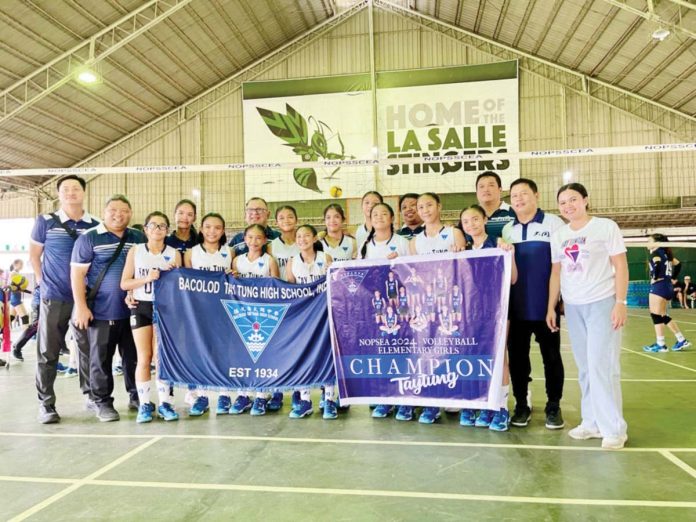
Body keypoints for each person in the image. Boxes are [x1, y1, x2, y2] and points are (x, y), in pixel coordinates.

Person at [547, 183, 629, 450]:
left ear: (585, 200)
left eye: (573, 199)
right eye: (562, 202)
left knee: (601, 365)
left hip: (602, 302)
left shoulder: (605, 227)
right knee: (584, 368)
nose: (568, 205)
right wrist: (552, 307)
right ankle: (591, 422)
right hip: (573, 306)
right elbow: (557, 273)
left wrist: (620, 302)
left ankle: (614, 428)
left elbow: (620, 265)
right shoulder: (559, 235)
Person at [29, 175, 98, 424]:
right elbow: (35, 255)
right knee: (48, 352)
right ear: (59, 194)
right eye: (65, 189)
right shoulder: (45, 222)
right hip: (54, 297)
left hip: (85, 299)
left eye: (75, 189)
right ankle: (46, 404)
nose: (71, 193)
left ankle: (92, 395)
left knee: (87, 349)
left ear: (83, 193)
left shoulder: (95, 225)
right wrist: (42, 282)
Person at [71, 194, 145, 422]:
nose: (118, 214)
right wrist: (81, 307)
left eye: (124, 210)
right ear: (104, 212)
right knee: (101, 360)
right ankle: (102, 402)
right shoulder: (89, 238)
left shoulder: (138, 237)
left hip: (133, 311)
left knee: (134, 358)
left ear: (130, 213)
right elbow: (77, 275)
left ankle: (138, 397)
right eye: (113, 210)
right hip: (101, 311)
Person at [502, 178, 565, 430]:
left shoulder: (554, 224)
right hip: (515, 309)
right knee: (518, 360)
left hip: (545, 308)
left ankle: (553, 406)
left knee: (551, 358)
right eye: (514, 195)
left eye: (524, 194)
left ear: (536, 195)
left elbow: (559, 269)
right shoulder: (507, 230)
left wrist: (553, 305)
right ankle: (521, 405)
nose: (518, 199)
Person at [458, 204, 518, 432]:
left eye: (475, 219)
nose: (471, 224)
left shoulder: (498, 243)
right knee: (474, 357)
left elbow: (512, 279)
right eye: (466, 221)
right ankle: (480, 402)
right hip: (472, 313)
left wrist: (509, 254)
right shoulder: (464, 250)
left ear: (484, 220)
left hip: (498, 311)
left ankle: (500, 407)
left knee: (499, 357)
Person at [409, 192, 466, 424]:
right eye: (420, 206)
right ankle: (432, 400)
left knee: (451, 348)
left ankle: (454, 395)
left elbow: (463, 268)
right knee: (429, 351)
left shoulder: (454, 233)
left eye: (429, 205)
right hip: (426, 304)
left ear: (439, 206)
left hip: (451, 303)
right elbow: (413, 274)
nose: (425, 209)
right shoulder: (414, 242)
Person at [121, 211, 180, 424]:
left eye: (162, 226)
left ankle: (165, 403)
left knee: (160, 358)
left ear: (167, 230)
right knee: (144, 357)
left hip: (165, 309)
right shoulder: (135, 251)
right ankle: (145, 404)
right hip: (141, 306)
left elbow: (180, 287)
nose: (157, 229)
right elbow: (125, 283)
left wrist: (173, 276)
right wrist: (146, 278)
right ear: (145, 229)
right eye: (153, 225)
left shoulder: (174, 254)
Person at [361, 203, 410, 420]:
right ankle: (385, 397)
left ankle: (405, 399)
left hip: (401, 306)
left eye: (383, 214)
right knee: (381, 351)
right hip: (376, 307)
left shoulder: (403, 242)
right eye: (374, 214)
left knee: (402, 350)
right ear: (369, 220)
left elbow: (413, 273)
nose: (379, 217)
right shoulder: (365, 246)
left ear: (392, 218)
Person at [183, 213, 234, 415]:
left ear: (223, 231)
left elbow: (235, 280)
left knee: (224, 353)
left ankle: (224, 395)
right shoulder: (191, 253)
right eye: (208, 227)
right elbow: (184, 282)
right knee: (201, 353)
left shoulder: (230, 253)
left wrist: (234, 276)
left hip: (223, 310)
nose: (212, 231)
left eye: (217, 227)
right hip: (199, 312)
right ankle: (201, 396)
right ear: (202, 229)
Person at [230, 224, 280, 415]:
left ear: (265, 240)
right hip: (242, 314)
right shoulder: (237, 261)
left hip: (263, 314)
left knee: (262, 356)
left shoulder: (269, 261)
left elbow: (276, 289)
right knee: (243, 355)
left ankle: (261, 395)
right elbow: (231, 287)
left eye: (258, 237)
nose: (254, 241)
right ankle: (243, 394)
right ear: (244, 238)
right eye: (250, 237)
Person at [285, 224, 335, 419]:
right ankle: (305, 400)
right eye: (299, 236)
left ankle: (329, 398)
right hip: (303, 317)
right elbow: (290, 291)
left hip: (324, 314)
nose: (302, 239)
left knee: (327, 354)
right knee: (302, 355)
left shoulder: (325, 259)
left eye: (307, 235)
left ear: (315, 238)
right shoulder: (292, 262)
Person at [643, 234, 691, 352]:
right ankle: (681, 340)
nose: (647, 243)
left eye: (649, 241)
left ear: (657, 243)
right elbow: (678, 264)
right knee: (663, 315)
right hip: (667, 286)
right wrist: (673, 277)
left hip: (658, 286)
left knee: (656, 315)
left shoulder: (655, 254)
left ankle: (661, 344)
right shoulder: (666, 254)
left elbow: (657, 264)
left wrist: (654, 277)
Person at [474, 171, 516, 239]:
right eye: (481, 186)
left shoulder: (514, 212)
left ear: (500, 189)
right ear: (476, 192)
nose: (486, 189)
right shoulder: (469, 215)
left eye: (491, 185)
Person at [267, 206, 299, 281]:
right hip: (281, 289)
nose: (286, 220)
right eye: (281, 218)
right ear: (276, 222)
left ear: (296, 220)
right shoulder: (271, 247)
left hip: (303, 289)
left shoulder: (306, 243)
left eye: (290, 217)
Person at [8, 260, 29, 331]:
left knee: (11, 318)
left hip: (15, 298)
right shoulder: (13, 273)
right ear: (15, 264)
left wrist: (30, 292)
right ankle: (26, 335)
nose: (22, 266)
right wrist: (17, 288)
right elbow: (10, 287)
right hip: (15, 299)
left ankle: (2, 333)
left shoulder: (17, 274)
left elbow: (19, 287)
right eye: (21, 264)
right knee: (25, 317)